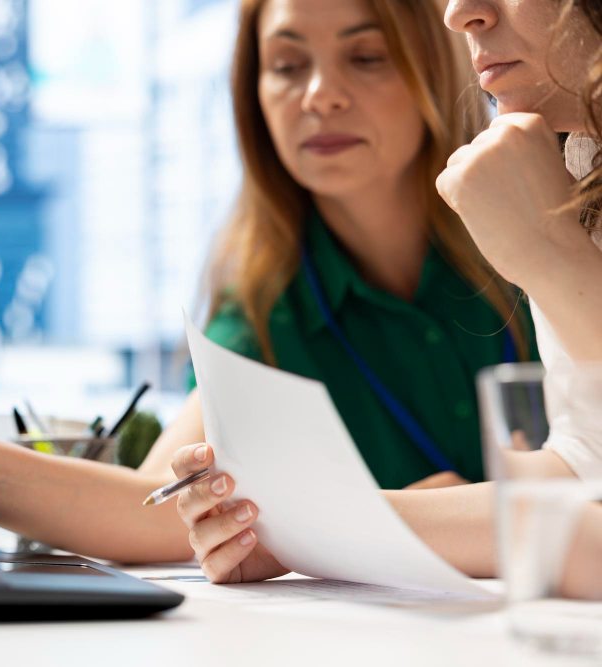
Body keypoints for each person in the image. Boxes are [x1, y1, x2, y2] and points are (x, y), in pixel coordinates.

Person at [0, 0, 532, 568]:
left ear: (435, 64)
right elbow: (156, 507)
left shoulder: (542, 224)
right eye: (286, 65)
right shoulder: (266, 311)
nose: (320, 95)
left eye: (366, 56)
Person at [173, 0, 602, 591]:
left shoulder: (529, 197)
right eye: (287, 65)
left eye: (368, 56)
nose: (458, 12)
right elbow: (585, 465)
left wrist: (551, 257)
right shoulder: (569, 166)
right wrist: (319, 528)